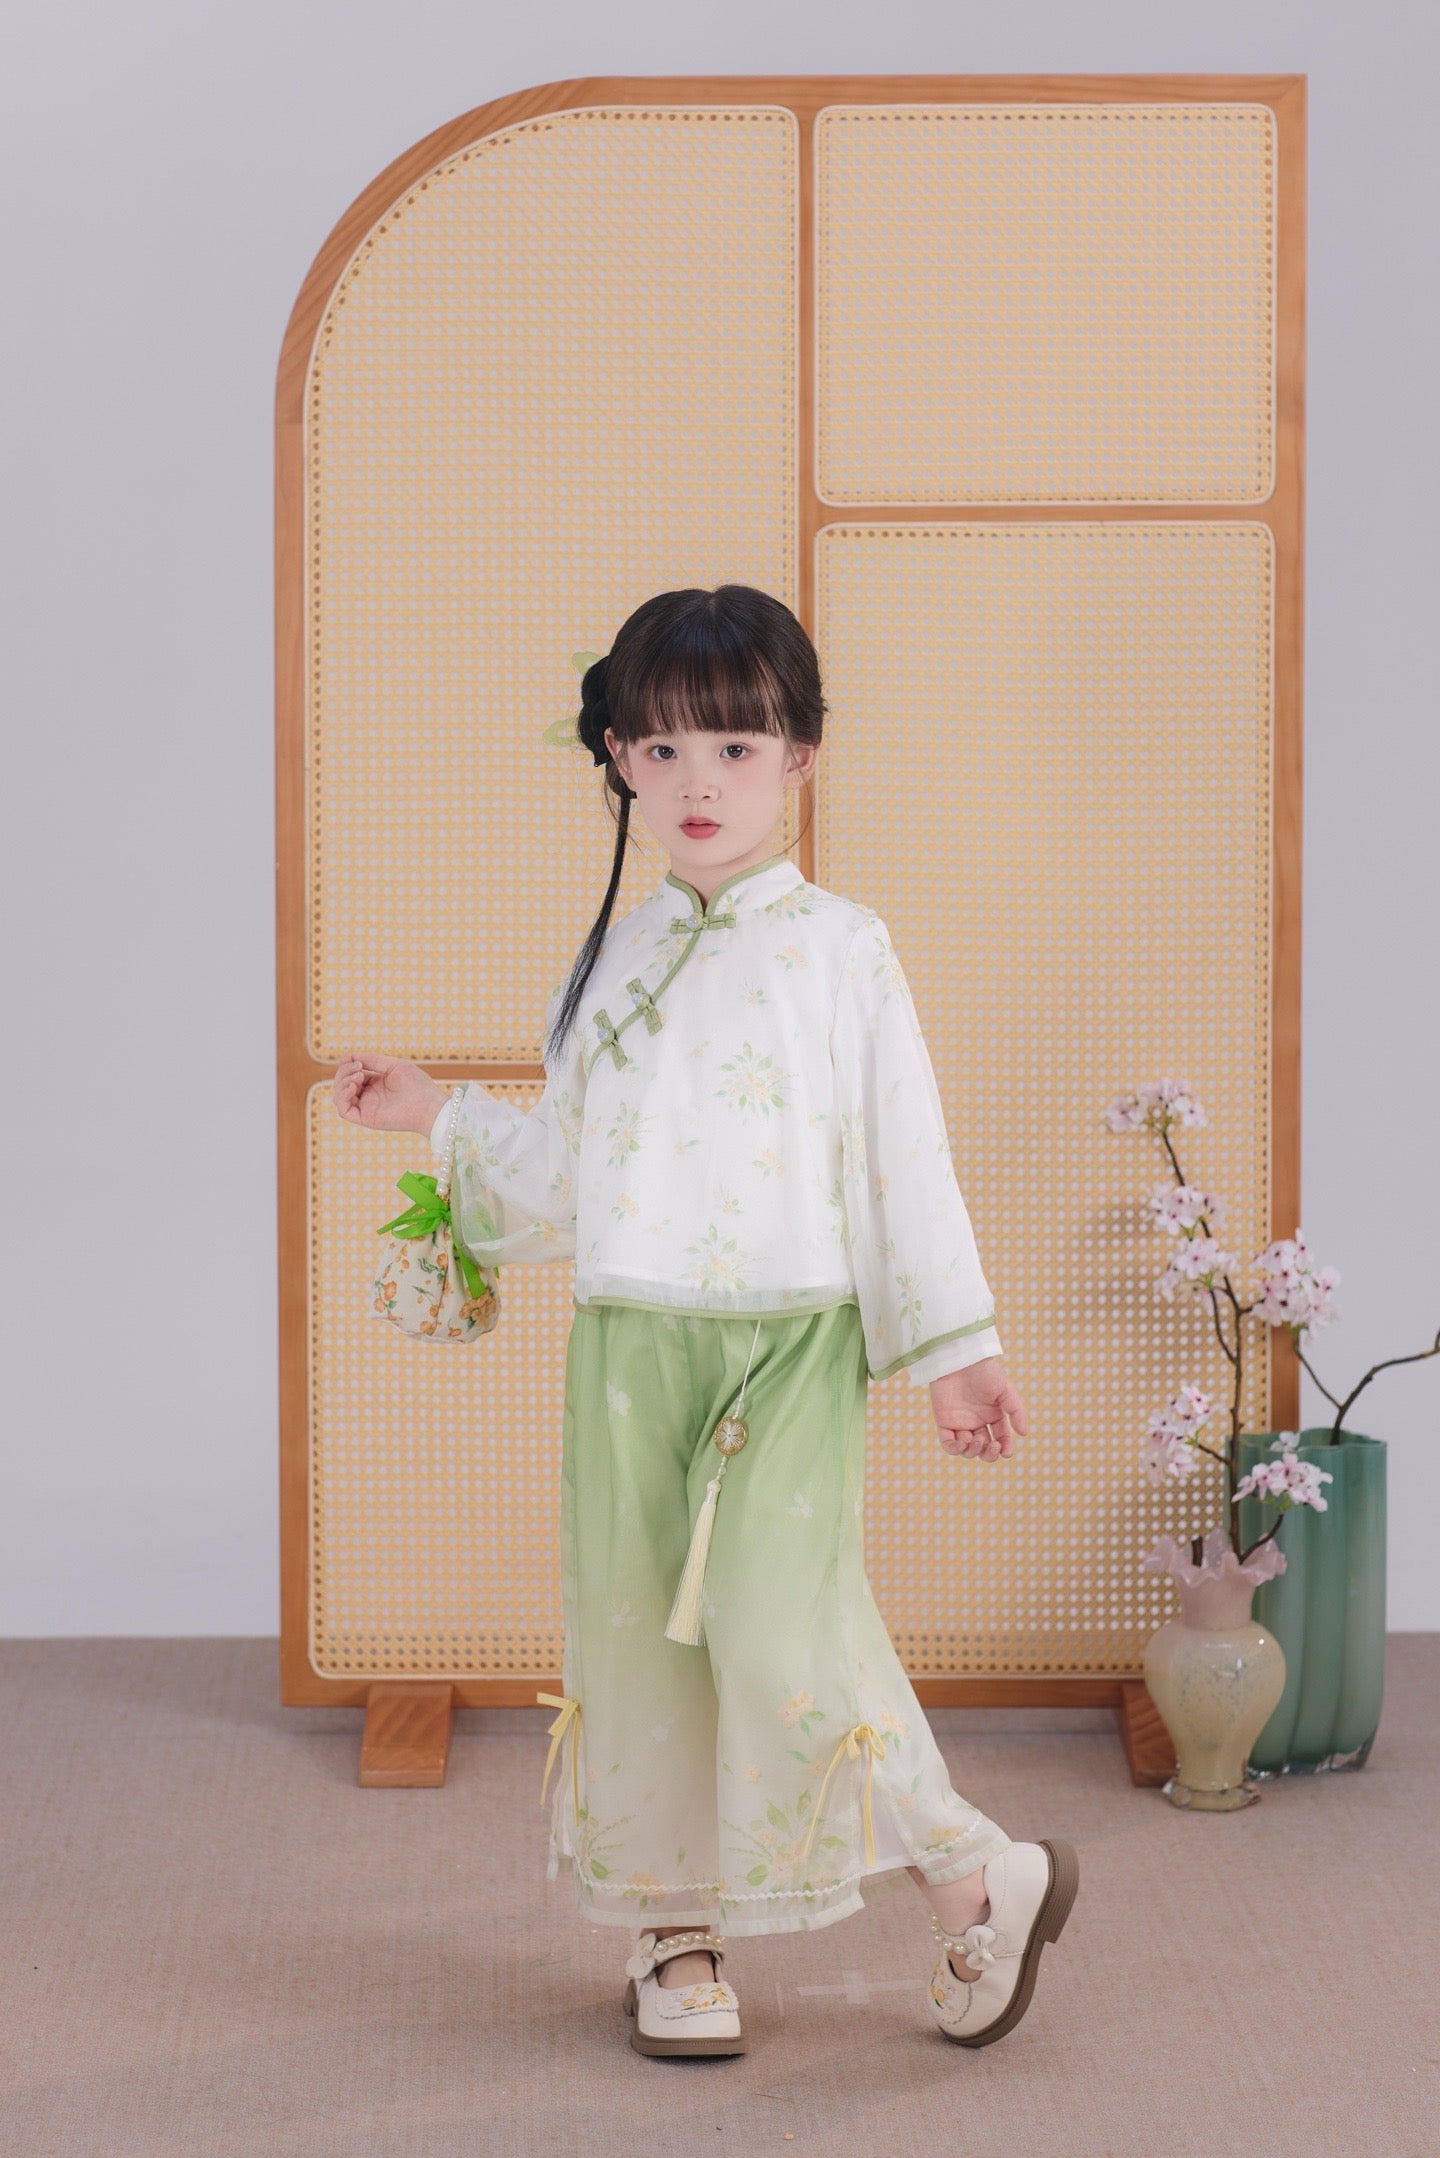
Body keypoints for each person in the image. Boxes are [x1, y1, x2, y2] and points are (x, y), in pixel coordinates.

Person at [333, 583, 1077, 2058]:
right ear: (616, 755)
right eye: (664, 749)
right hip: (629, 1348)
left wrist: (953, 1350)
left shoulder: (844, 948)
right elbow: (566, 1179)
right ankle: (674, 1933)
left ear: (800, 756)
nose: (698, 782)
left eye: (735, 746)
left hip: (788, 1345)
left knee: (783, 1629)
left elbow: (901, 1153)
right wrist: (441, 1115)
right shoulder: (611, 957)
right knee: (634, 1638)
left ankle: (968, 1868)